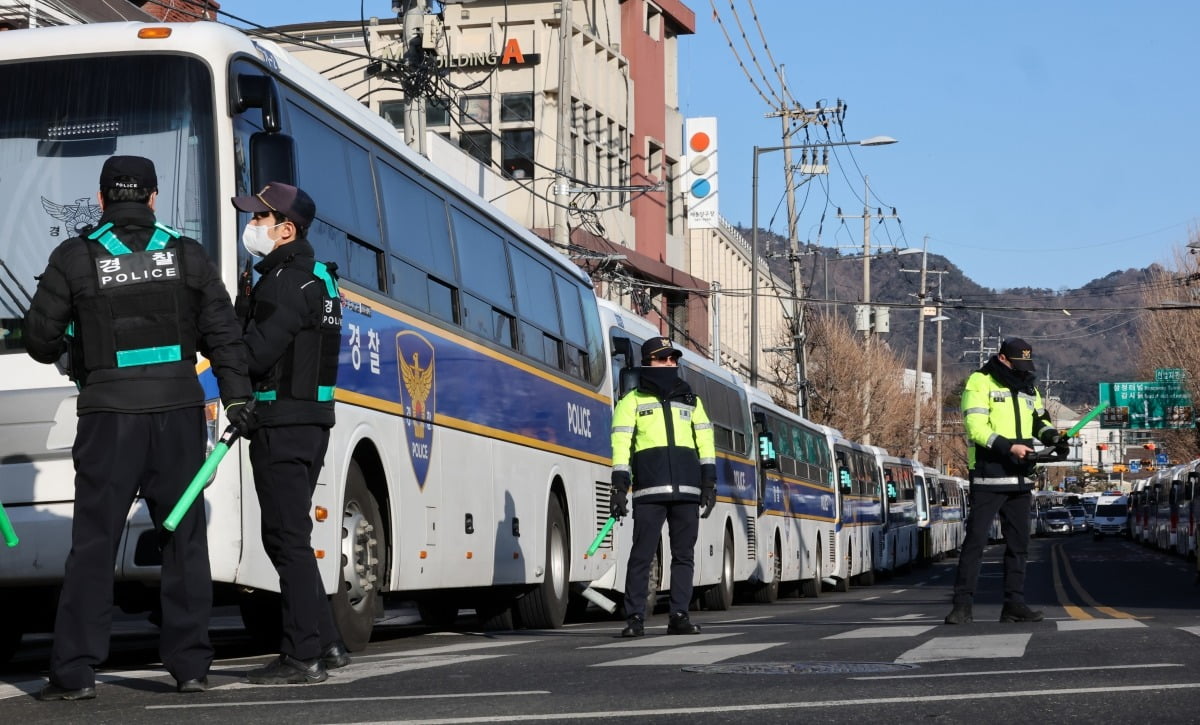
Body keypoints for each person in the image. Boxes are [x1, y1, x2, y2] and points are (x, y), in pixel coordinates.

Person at [24, 155, 251, 700]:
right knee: (182, 541)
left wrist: (72, 343)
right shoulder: (186, 255)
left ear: (102, 200)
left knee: (95, 543)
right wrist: (239, 397)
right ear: (152, 199)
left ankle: (75, 673)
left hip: (107, 418)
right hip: (177, 415)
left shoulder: (75, 257)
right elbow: (223, 332)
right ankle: (191, 667)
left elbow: (38, 341)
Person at [230, 182, 348, 684]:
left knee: (285, 537)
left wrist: (233, 320)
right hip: (311, 421)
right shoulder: (319, 280)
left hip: (282, 422)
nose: (252, 226)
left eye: (260, 218)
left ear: (286, 229)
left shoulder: (283, 284)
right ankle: (327, 641)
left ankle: (302, 655)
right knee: (292, 534)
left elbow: (255, 355)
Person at [945, 337, 1065, 625]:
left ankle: (1014, 604)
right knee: (975, 542)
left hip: (1022, 476)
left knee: (1019, 545)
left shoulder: (1028, 386)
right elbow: (975, 427)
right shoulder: (980, 382)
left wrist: (1053, 437)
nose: (1022, 369)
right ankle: (962, 606)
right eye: (1017, 363)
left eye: (1026, 364)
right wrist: (1008, 447)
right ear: (1002, 359)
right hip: (989, 475)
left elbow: (1039, 421)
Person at [610, 336, 716, 637]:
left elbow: (706, 443)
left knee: (684, 556)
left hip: (687, 491)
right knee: (642, 554)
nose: (669, 364)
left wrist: (709, 483)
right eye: (662, 359)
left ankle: (679, 616)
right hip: (649, 491)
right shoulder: (631, 401)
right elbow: (621, 445)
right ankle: (634, 618)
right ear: (647, 362)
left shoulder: (691, 400)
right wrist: (619, 488)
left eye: (673, 359)